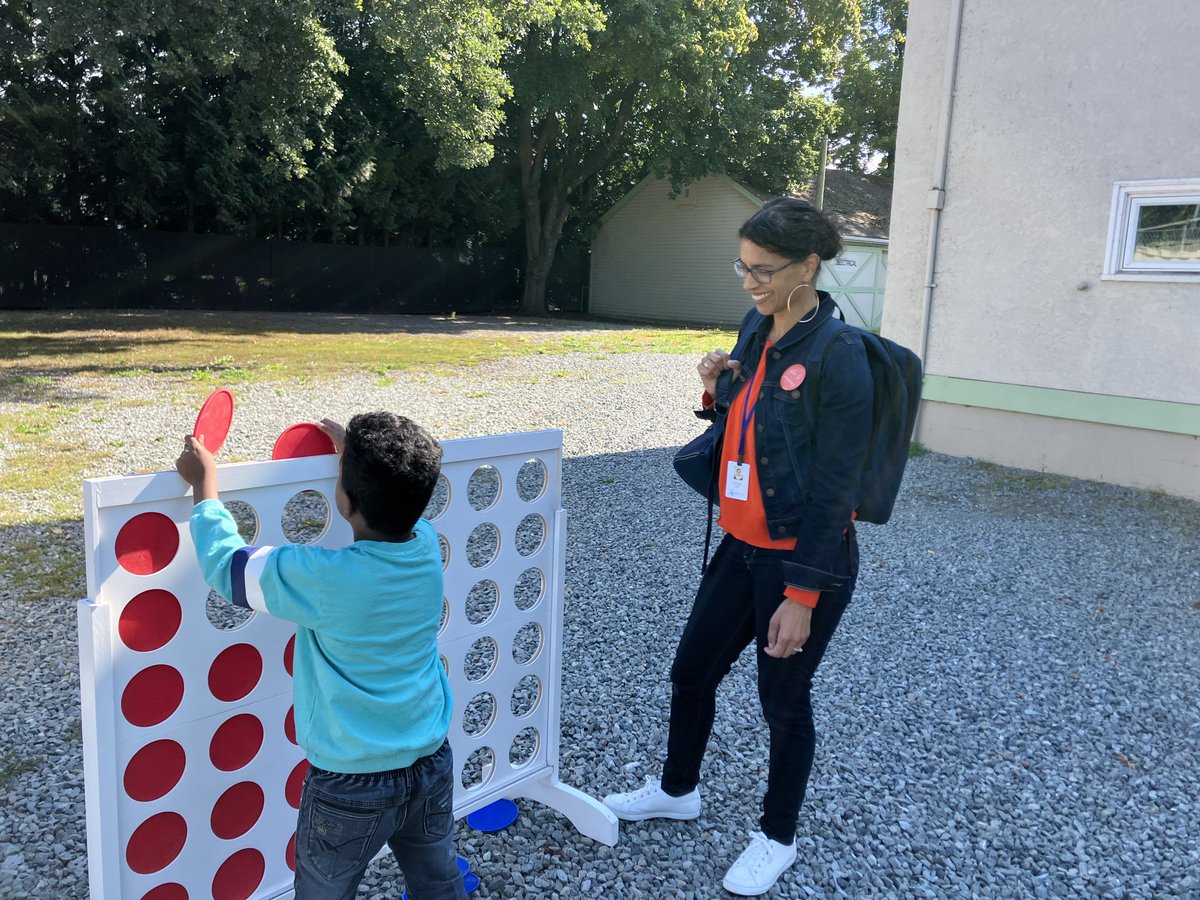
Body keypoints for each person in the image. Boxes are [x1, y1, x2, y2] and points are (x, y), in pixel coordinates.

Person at [603, 198, 873, 896]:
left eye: (763, 270)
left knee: (783, 702)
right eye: (743, 267)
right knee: (691, 672)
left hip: (800, 560)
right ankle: (677, 789)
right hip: (742, 544)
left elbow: (835, 488)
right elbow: (752, 421)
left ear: (809, 265)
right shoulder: (759, 323)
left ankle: (777, 836)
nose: (749, 283)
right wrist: (714, 388)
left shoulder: (838, 354)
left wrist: (803, 596)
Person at [175, 412, 466, 900]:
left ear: (345, 499)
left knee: (324, 891)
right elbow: (396, 501)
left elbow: (228, 568)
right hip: (430, 759)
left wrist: (206, 491)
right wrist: (360, 462)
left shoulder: (324, 579)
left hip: (352, 781)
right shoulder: (427, 548)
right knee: (436, 877)